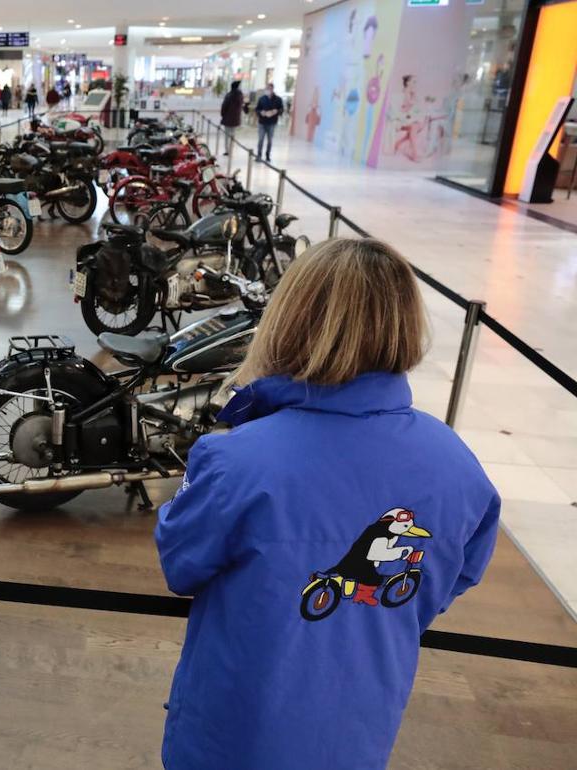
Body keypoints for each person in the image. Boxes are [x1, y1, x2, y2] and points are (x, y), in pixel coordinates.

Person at [154, 238, 499, 770]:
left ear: (290, 319)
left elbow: (181, 563)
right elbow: (446, 584)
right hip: (360, 731)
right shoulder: (459, 467)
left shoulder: (236, 459)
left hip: (233, 736)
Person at [254, 83, 285, 162]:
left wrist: (276, 111)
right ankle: (259, 155)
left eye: (269, 89)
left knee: (270, 140)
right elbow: (257, 109)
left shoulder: (278, 99)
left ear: (272, 89)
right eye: (266, 88)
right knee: (261, 139)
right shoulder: (262, 99)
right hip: (262, 122)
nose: (268, 90)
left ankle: (267, 155)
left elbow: (281, 109)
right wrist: (261, 112)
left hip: (272, 123)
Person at [219, 80, 244, 155]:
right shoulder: (240, 96)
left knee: (227, 135)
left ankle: (227, 150)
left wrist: (223, 115)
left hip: (227, 118)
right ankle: (231, 149)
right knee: (233, 135)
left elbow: (224, 106)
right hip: (235, 119)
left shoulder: (229, 95)